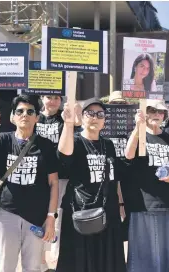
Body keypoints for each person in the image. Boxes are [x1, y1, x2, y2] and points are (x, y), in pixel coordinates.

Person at [0, 95, 59, 272]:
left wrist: (51, 217)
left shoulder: (46, 146)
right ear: (12, 117)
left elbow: (53, 183)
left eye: (30, 111)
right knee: (5, 266)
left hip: (36, 219)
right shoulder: (2, 140)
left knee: (33, 267)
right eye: (20, 111)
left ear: (37, 117)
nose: (25, 115)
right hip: (6, 215)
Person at [56, 97, 126, 272]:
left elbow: (114, 177)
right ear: (83, 116)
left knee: (107, 259)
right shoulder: (76, 141)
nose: (95, 117)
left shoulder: (108, 144)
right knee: (80, 260)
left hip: (108, 211)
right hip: (81, 211)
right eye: (90, 113)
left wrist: (121, 204)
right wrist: (68, 124)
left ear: (105, 120)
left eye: (100, 114)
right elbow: (63, 155)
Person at [124, 99, 169, 272]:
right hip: (144, 203)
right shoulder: (138, 134)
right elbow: (128, 155)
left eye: (161, 112)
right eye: (152, 110)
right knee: (144, 257)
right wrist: (138, 128)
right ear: (144, 112)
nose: (157, 115)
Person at [36, 95, 82, 270]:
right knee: (39, 216)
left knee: (59, 217)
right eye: (49, 97)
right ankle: (40, 259)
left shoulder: (64, 117)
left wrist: (74, 107)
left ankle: (56, 257)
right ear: (42, 98)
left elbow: (78, 124)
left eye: (57, 98)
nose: (53, 101)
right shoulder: (34, 116)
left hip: (63, 175)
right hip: (39, 176)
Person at [107, 91, 131, 242]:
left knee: (128, 219)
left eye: (121, 104)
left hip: (129, 174)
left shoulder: (131, 125)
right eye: (115, 104)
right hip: (110, 176)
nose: (118, 107)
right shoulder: (104, 126)